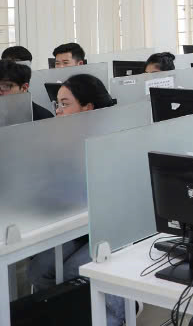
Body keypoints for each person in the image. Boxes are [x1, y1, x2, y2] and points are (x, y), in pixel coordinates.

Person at [31, 72, 122, 325]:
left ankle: (117, 313)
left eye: (65, 104)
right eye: (57, 104)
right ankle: (63, 315)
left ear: (88, 108)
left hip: (111, 225)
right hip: (76, 223)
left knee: (75, 270)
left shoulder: (110, 138)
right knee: (38, 270)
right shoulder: (59, 139)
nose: (58, 111)